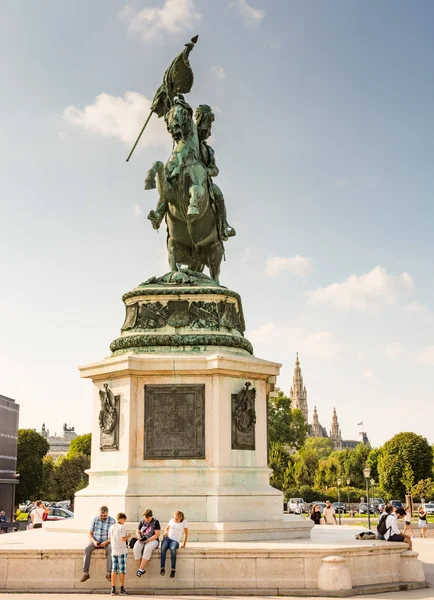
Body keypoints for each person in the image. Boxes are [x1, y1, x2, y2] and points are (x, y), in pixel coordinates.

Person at [80, 505, 115, 583]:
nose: (102, 517)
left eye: (104, 515)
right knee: (87, 549)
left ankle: (108, 573)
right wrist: (94, 541)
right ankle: (86, 573)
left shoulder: (112, 521)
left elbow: (113, 535)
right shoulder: (95, 519)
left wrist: (107, 542)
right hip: (95, 540)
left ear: (107, 513)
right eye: (101, 515)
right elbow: (90, 533)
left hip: (107, 541)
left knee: (111, 549)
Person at [160, 510, 189, 578]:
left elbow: (186, 533)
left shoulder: (184, 522)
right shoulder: (172, 520)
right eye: (174, 518)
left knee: (172, 549)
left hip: (175, 541)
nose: (175, 520)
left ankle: (173, 569)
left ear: (180, 518)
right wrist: (165, 533)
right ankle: (162, 568)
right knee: (163, 548)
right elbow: (167, 528)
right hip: (168, 538)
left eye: (177, 519)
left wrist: (184, 544)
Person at [108, 512, 131, 596]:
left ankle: (113, 589)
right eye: (124, 520)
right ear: (122, 519)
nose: (124, 521)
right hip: (122, 550)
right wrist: (128, 536)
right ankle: (122, 588)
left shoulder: (111, 527)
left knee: (114, 569)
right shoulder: (122, 527)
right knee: (122, 570)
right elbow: (123, 539)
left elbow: (109, 539)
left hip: (114, 550)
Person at [135, 509, 161, 577]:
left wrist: (148, 540)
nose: (146, 520)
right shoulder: (142, 521)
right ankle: (141, 569)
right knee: (136, 548)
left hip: (153, 540)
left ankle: (140, 569)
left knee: (147, 548)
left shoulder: (156, 522)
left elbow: (157, 534)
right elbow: (137, 531)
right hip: (142, 539)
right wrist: (139, 538)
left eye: (148, 519)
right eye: (145, 519)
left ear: (151, 516)